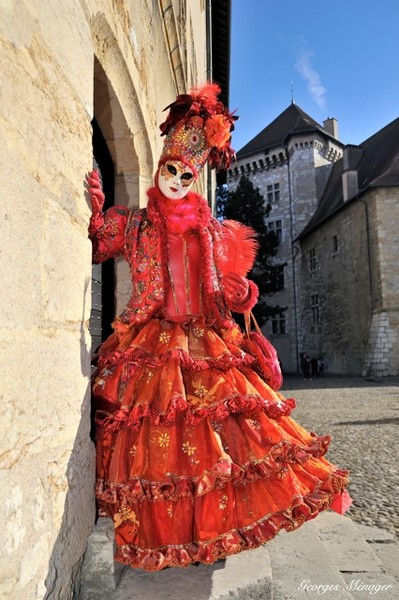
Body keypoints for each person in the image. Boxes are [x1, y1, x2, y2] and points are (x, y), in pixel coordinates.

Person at [87, 83, 351, 572]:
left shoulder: (211, 230)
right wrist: (99, 211)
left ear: (194, 176)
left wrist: (239, 294)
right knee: (162, 442)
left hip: (207, 336)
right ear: (159, 167)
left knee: (223, 440)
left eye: (186, 173)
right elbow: (101, 244)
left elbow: (223, 284)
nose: (176, 179)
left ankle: (210, 532)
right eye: (170, 169)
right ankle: (168, 535)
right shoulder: (138, 223)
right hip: (153, 337)